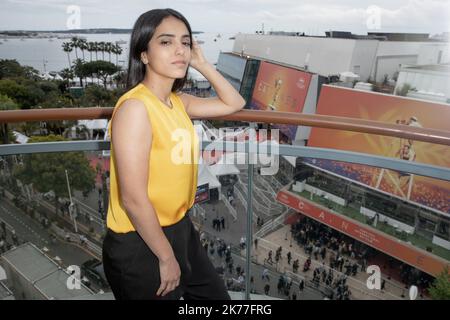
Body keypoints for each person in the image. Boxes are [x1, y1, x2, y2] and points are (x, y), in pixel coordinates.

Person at [102, 8, 245, 300]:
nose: (179, 50)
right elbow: (132, 198)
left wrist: (202, 64)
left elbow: (234, 102)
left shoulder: (178, 102)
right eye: (166, 42)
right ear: (144, 54)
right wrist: (166, 258)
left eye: (185, 42)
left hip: (178, 228)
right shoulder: (135, 108)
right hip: (140, 243)